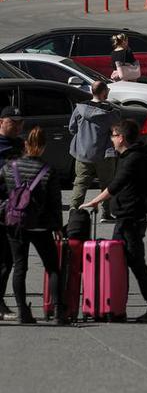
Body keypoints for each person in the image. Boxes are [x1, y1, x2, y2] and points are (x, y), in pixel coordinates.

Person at [82, 118, 147, 323]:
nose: (111, 139)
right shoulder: (129, 156)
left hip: (131, 220)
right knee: (121, 263)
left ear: (121, 137)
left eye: (113, 135)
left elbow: (116, 185)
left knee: (136, 263)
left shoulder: (133, 159)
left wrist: (94, 202)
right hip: (125, 219)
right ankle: (119, 306)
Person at [1, 127, 66, 324]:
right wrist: (57, 226)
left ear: (25, 145)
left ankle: (23, 312)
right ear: (44, 147)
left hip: (15, 223)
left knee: (20, 267)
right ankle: (58, 311)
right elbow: (55, 202)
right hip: (41, 225)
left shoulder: (9, 168)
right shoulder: (48, 170)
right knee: (53, 267)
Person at [68, 79, 121, 212]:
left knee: (80, 183)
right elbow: (117, 130)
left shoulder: (80, 109)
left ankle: (74, 210)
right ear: (103, 92)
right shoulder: (110, 113)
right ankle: (106, 212)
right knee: (107, 184)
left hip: (83, 153)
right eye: (107, 90)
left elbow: (72, 129)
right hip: (105, 154)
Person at [0, 107, 22, 317]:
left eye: (19, 122)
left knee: (7, 260)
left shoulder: (20, 144)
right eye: (12, 122)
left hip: (14, 209)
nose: (17, 126)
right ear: (1, 122)